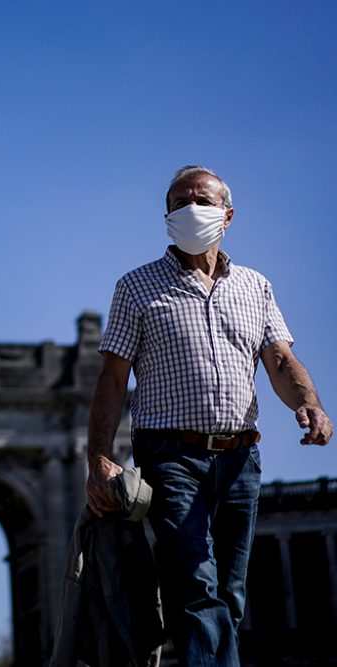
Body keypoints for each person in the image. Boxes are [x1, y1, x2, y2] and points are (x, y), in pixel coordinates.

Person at [85, 165, 332, 665]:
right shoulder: (136, 287)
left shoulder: (255, 286)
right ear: (167, 217)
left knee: (229, 594)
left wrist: (311, 403)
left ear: (228, 214)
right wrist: (99, 457)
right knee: (197, 581)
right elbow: (113, 378)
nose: (190, 210)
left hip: (242, 457)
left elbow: (280, 359)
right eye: (179, 203)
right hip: (171, 454)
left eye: (201, 200)